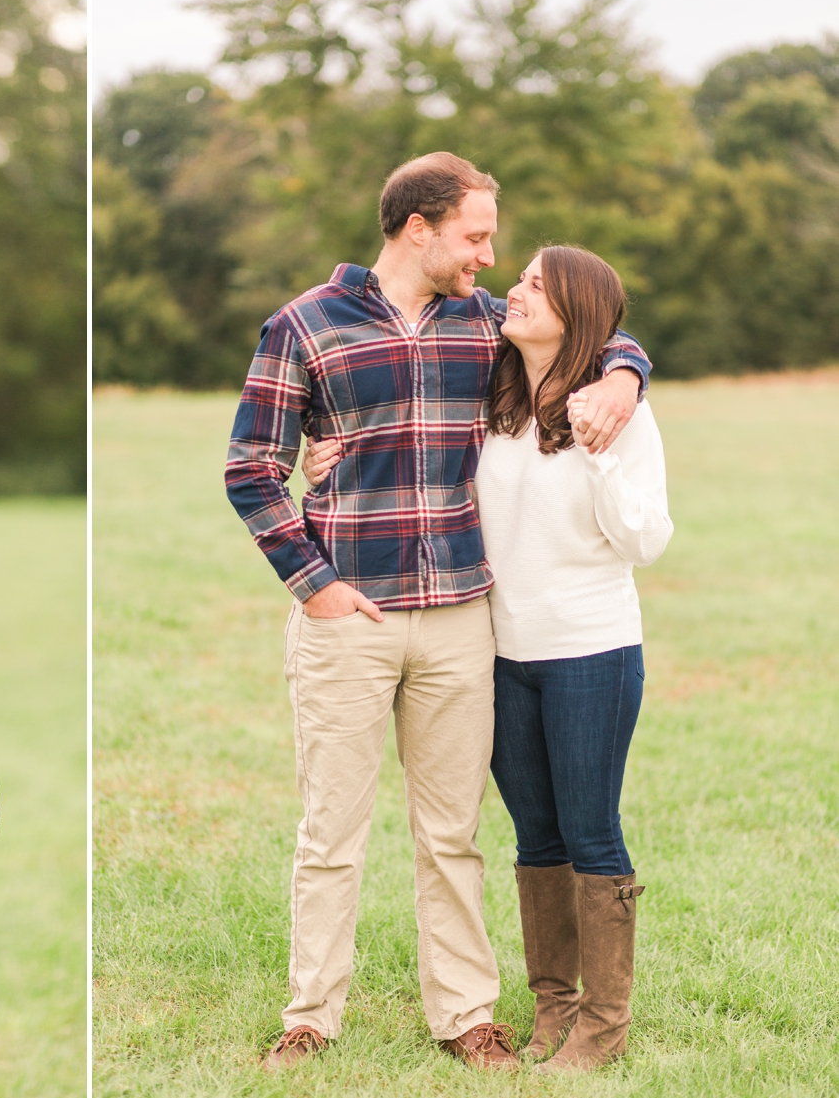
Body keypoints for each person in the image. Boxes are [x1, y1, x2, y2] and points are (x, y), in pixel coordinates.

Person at [225, 152, 651, 1072]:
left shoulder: (486, 324)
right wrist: (316, 582)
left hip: (464, 617)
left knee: (451, 833)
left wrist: (628, 373)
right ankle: (311, 1016)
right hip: (348, 616)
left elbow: (587, 330)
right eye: (475, 235)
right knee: (330, 829)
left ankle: (467, 1015)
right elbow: (250, 467)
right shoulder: (304, 325)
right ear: (417, 228)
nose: (489, 257)